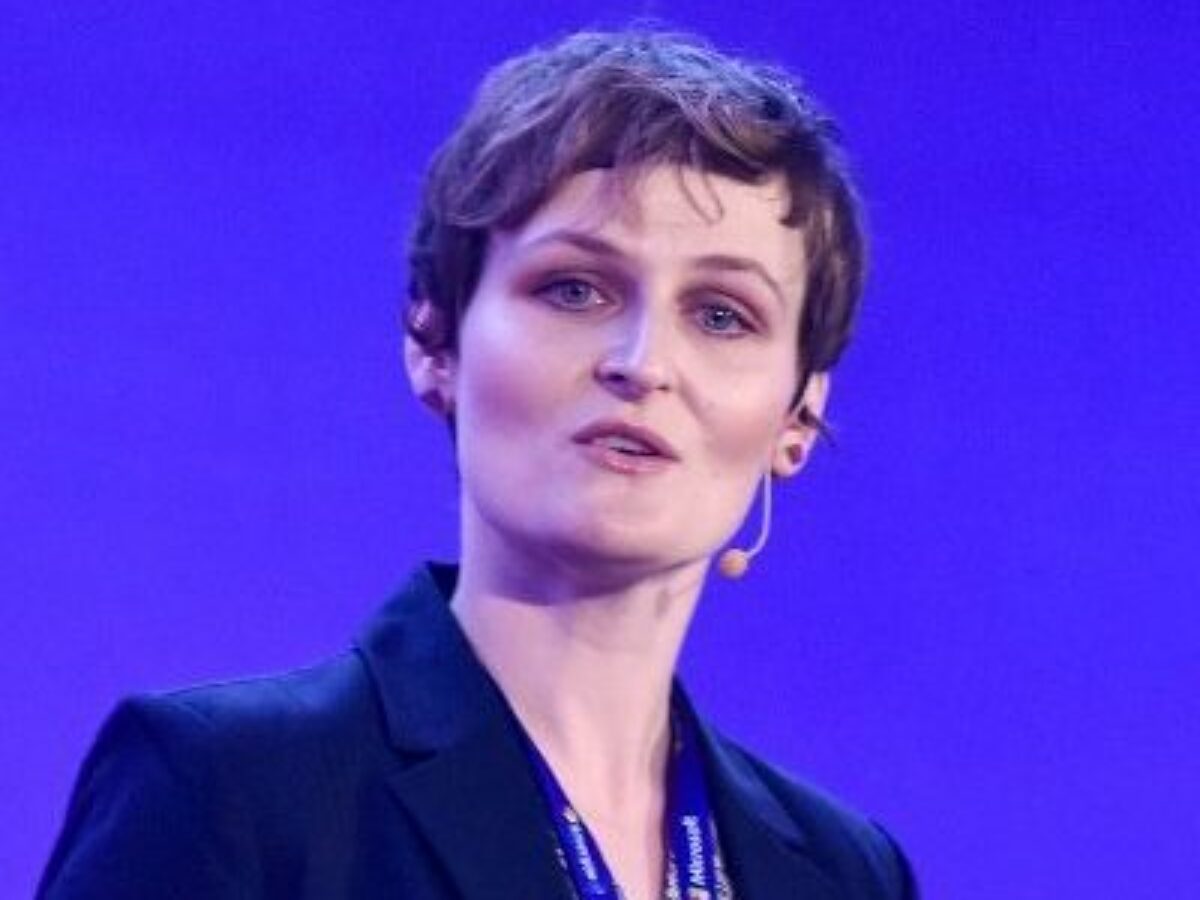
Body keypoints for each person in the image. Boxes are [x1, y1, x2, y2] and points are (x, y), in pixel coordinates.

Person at [39, 28, 917, 899]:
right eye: (574, 289)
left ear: (799, 415)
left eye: (722, 315)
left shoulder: (848, 874)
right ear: (436, 343)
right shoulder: (230, 789)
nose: (643, 362)